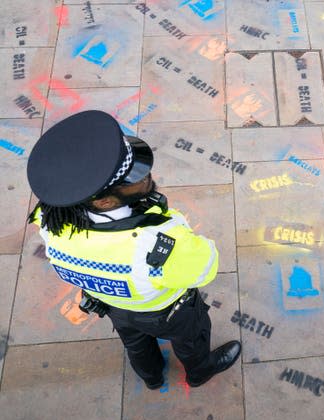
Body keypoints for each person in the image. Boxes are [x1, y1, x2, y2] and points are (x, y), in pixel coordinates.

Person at [26, 110, 241, 390]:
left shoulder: (47, 219)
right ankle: (199, 371)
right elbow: (206, 267)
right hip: (166, 312)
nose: (147, 175)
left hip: (113, 305)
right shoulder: (155, 242)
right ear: (103, 202)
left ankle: (151, 377)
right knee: (191, 339)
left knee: (135, 343)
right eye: (133, 179)